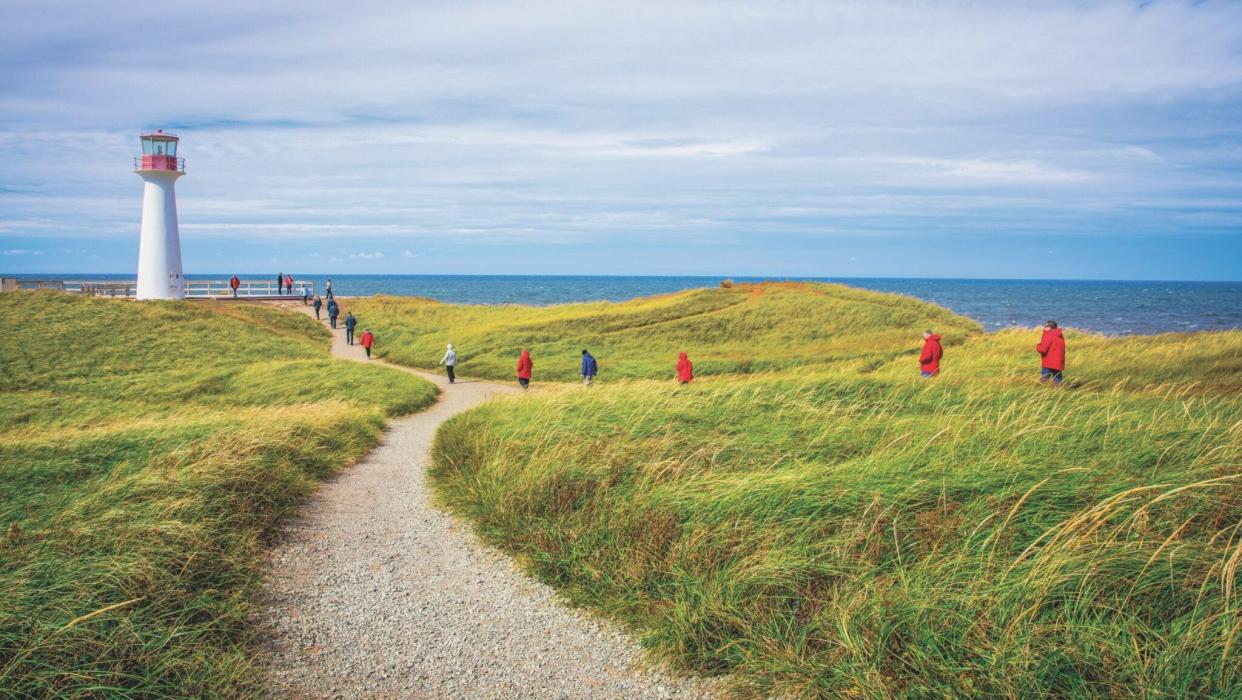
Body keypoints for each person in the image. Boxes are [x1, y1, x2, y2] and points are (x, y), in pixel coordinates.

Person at [1036, 320, 1066, 385]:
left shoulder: (1048, 335)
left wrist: (1038, 346)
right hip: (1058, 362)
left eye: (1046, 326)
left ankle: (1044, 393)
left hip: (1049, 362)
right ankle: (1059, 393)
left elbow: (1043, 349)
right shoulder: (1059, 335)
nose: (1044, 327)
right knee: (1057, 381)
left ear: (1049, 327)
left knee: (1044, 381)